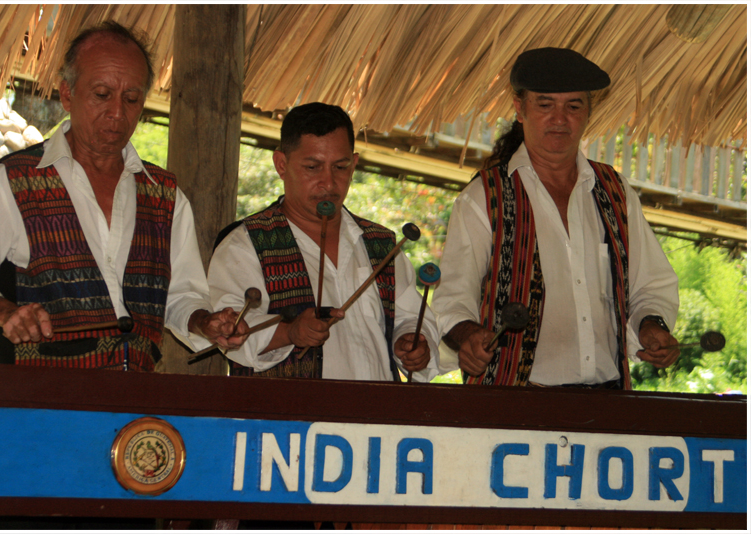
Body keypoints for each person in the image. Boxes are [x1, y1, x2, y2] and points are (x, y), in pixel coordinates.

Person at [0, 22, 247, 372]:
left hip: (132, 407)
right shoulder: (12, 181)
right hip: (34, 404)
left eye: (131, 98)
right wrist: (6, 314)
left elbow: (182, 296)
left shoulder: (165, 195)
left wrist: (204, 321)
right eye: (102, 94)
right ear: (67, 95)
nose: (117, 114)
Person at [432, 47, 680, 389]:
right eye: (545, 105)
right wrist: (468, 334)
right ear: (520, 109)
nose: (560, 119)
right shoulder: (483, 197)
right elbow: (452, 298)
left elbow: (649, 284)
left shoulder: (615, 191)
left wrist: (652, 324)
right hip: (513, 404)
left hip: (607, 400)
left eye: (573, 106)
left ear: (589, 112)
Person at [208, 102, 442, 382]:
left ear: (354, 164)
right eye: (312, 167)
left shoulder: (383, 245)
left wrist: (412, 341)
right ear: (281, 165)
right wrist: (289, 332)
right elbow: (231, 333)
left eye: (340, 167)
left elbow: (410, 317)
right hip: (289, 423)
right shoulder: (244, 245)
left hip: (378, 418)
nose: (329, 183)